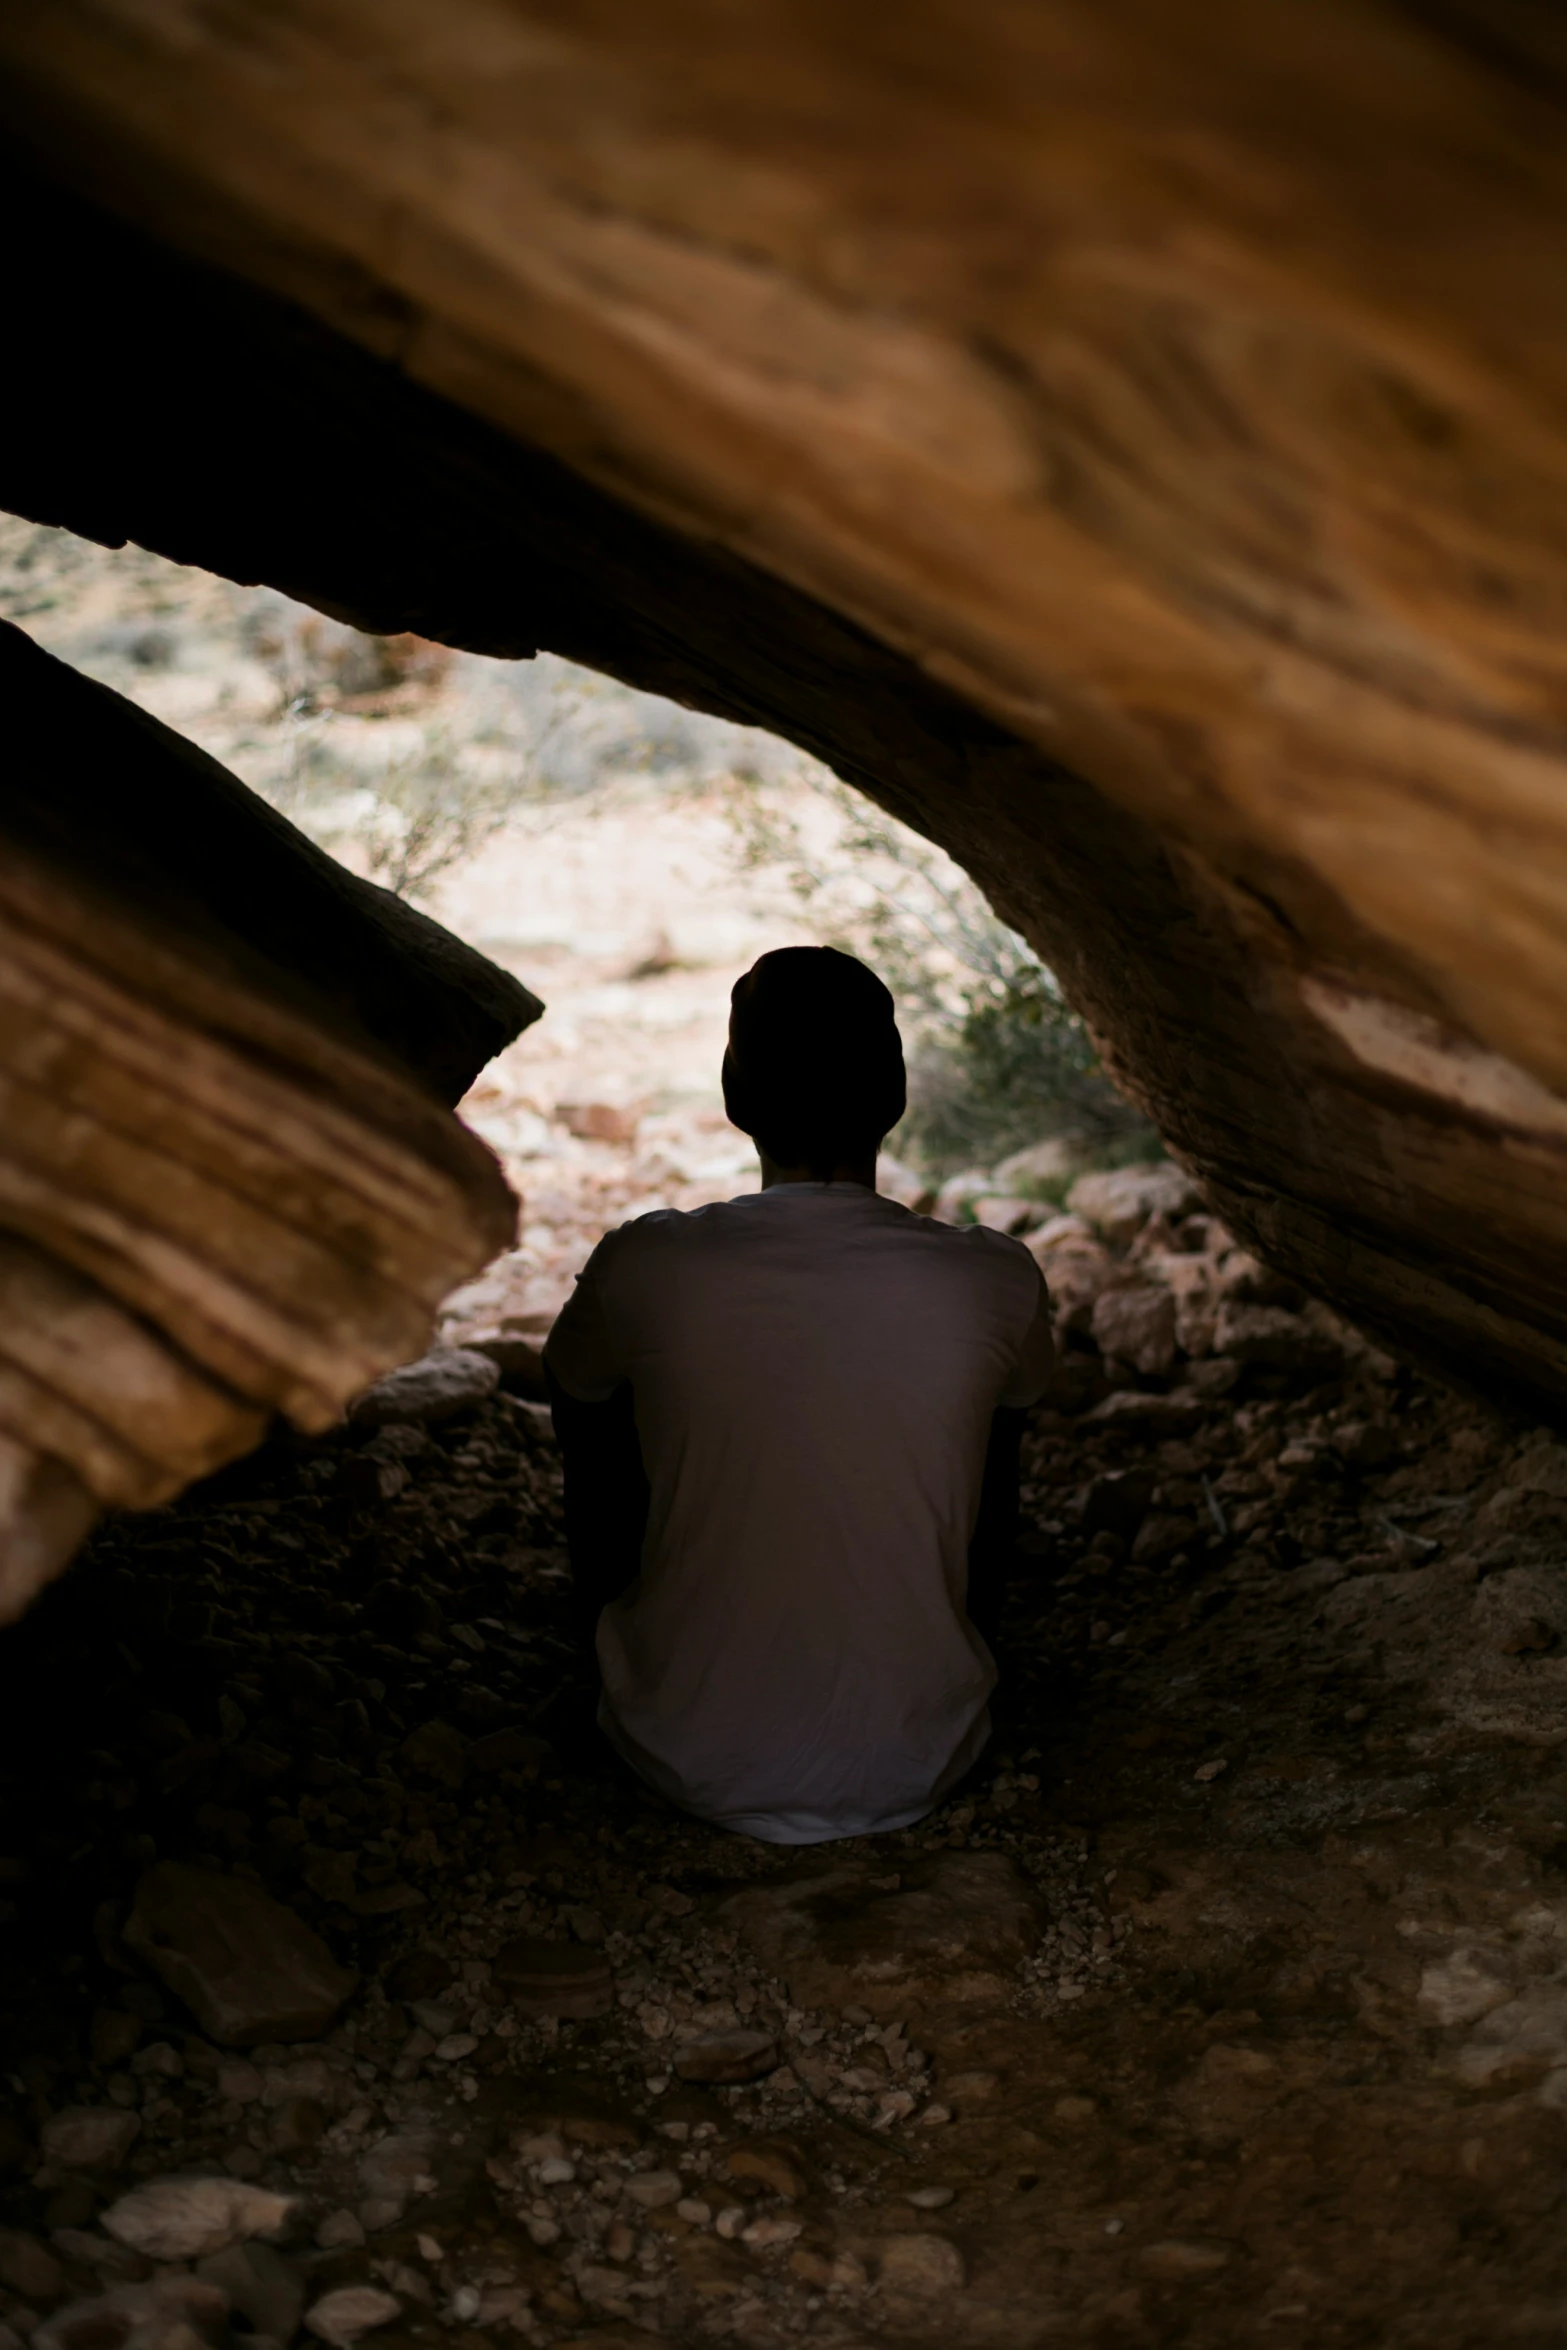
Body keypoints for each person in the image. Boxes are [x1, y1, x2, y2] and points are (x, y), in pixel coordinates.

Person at [543, 945, 1054, 1843]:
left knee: (613, 1391)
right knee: (982, 1421)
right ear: (894, 1097)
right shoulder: (993, 1281)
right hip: (924, 1753)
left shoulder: (649, 1266)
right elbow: (1001, 1473)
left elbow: (573, 1393)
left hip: (680, 1748)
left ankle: (624, 1627)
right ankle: (936, 1647)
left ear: (735, 1100)